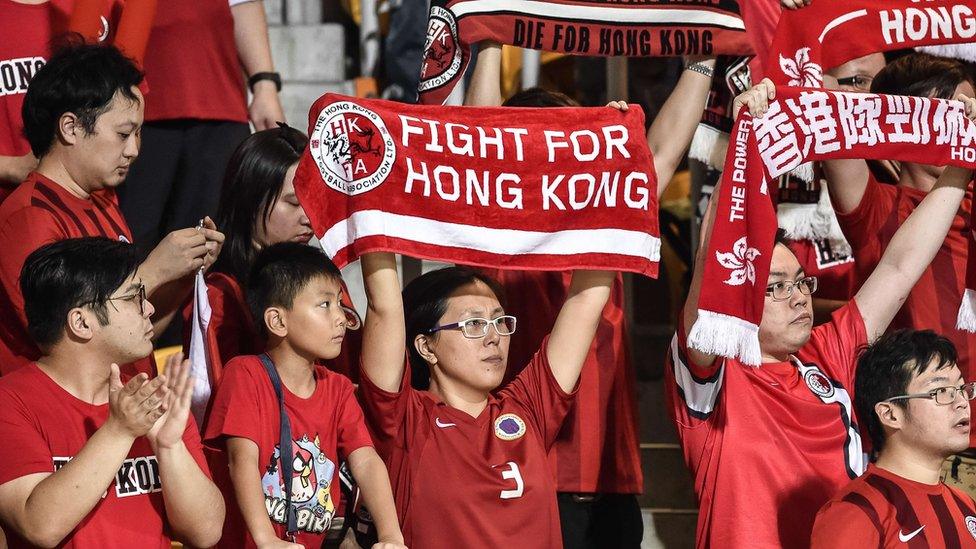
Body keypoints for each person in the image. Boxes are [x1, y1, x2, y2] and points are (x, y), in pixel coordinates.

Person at [667, 79, 976, 548]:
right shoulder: (714, 372)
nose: (798, 297)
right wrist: (742, 145)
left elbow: (901, 265)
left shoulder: (826, 353)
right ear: (740, 291)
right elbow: (714, 268)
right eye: (775, 287)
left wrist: (962, 159)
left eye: (801, 282)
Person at [464, 42, 715, 547]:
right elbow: (479, 140)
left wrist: (706, 48)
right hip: (522, 482)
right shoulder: (492, 235)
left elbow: (663, 151)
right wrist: (488, 31)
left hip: (611, 485)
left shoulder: (607, 222)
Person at [357, 249, 614, 548]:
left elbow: (586, 300)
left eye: (499, 321)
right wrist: (375, 219)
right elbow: (383, 306)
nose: (493, 337)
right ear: (426, 347)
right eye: (474, 324)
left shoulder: (528, 407)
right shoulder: (403, 418)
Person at [0, 41, 224, 376]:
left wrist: (181, 275)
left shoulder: (104, 204)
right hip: (69, 422)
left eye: (138, 134)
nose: (134, 150)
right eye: (123, 134)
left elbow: (133, 335)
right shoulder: (29, 219)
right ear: (70, 128)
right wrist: (155, 270)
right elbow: (71, 337)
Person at [0, 237, 224, 548]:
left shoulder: (150, 394)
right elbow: (39, 525)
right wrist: (119, 432)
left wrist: (170, 447)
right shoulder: (11, 401)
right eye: (134, 296)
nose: (149, 307)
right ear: (81, 322)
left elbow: (207, 532)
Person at [205, 243, 405, 549]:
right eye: (325, 305)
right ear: (278, 321)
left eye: (340, 303)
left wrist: (392, 536)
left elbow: (365, 460)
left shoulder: (337, 387)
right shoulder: (245, 374)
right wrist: (265, 539)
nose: (340, 317)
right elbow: (241, 458)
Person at [824, 52, 976, 400]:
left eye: (972, 112)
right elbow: (825, 96)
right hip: (923, 435)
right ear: (905, 121)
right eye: (954, 112)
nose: (967, 123)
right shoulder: (877, 206)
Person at [183, 125, 362, 385]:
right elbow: (221, 401)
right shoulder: (219, 297)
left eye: (314, 200)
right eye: (293, 203)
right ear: (249, 201)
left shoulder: (326, 283)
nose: (308, 216)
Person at [118, 0, 285, 257]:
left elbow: (243, 4)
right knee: (131, 245)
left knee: (211, 246)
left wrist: (264, 84)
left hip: (218, 106)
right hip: (131, 112)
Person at [812, 330, 976, 548]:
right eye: (942, 391)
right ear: (890, 414)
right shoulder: (857, 511)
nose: (962, 402)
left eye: (961, 388)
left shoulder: (966, 506)